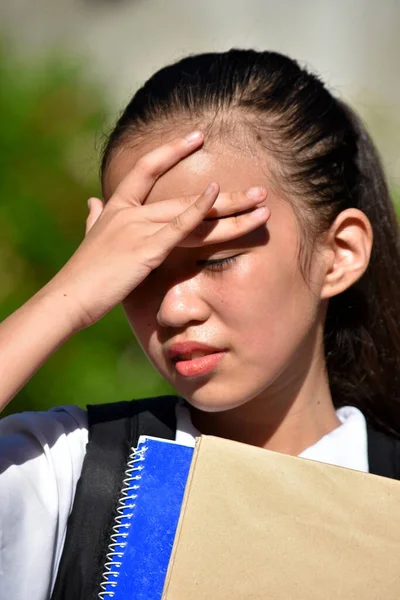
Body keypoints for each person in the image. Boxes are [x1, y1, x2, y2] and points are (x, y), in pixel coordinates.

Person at [1, 48, 400, 600]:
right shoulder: (67, 473)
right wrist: (67, 300)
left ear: (339, 253)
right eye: (137, 272)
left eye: (215, 259)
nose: (173, 309)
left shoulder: (388, 501)